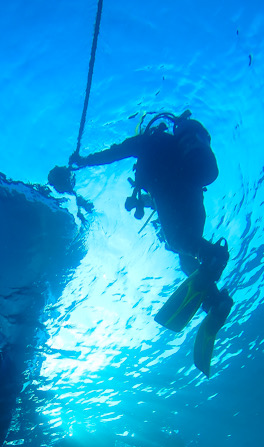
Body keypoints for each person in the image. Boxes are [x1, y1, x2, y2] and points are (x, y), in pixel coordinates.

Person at [69, 111, 233, 377]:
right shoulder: (176, 152)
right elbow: (166, 194)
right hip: (192, 199)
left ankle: (214, 256)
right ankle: (215, 301)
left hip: (171, 193)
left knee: (178, 242)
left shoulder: (148, 143)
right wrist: (141, 201)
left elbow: (114, 154)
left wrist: (83, 162)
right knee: (187, 256)